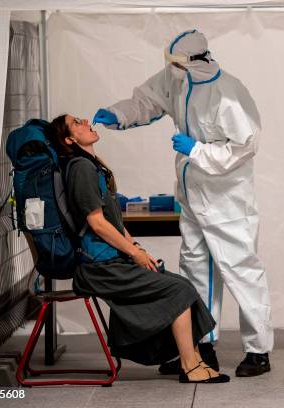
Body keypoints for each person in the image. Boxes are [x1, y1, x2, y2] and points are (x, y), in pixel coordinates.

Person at [92, 29, 273, 377]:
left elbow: (245, 146)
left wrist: (198, 151)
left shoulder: (228, 93)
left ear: (197, 60)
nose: (169, 69)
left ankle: (258, 350)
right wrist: (117, 114)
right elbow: (146, 100)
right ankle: (201, 347)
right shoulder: (177, 79)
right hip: (191, 198)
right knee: (194, 271)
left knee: (241, 271)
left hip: (227, 201)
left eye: (175, 64)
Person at [46, 114, 230, 384]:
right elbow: (97, 224)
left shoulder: (93, 167)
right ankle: (189, 367)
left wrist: (136, 247)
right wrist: (134, 254)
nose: (85, 121)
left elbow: (114, 223)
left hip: (112, 261)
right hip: (99, 268)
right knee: (178, 290)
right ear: (70, 140)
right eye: (76, 123)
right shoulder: (81, 169)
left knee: (179, 283)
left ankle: (194, 359)